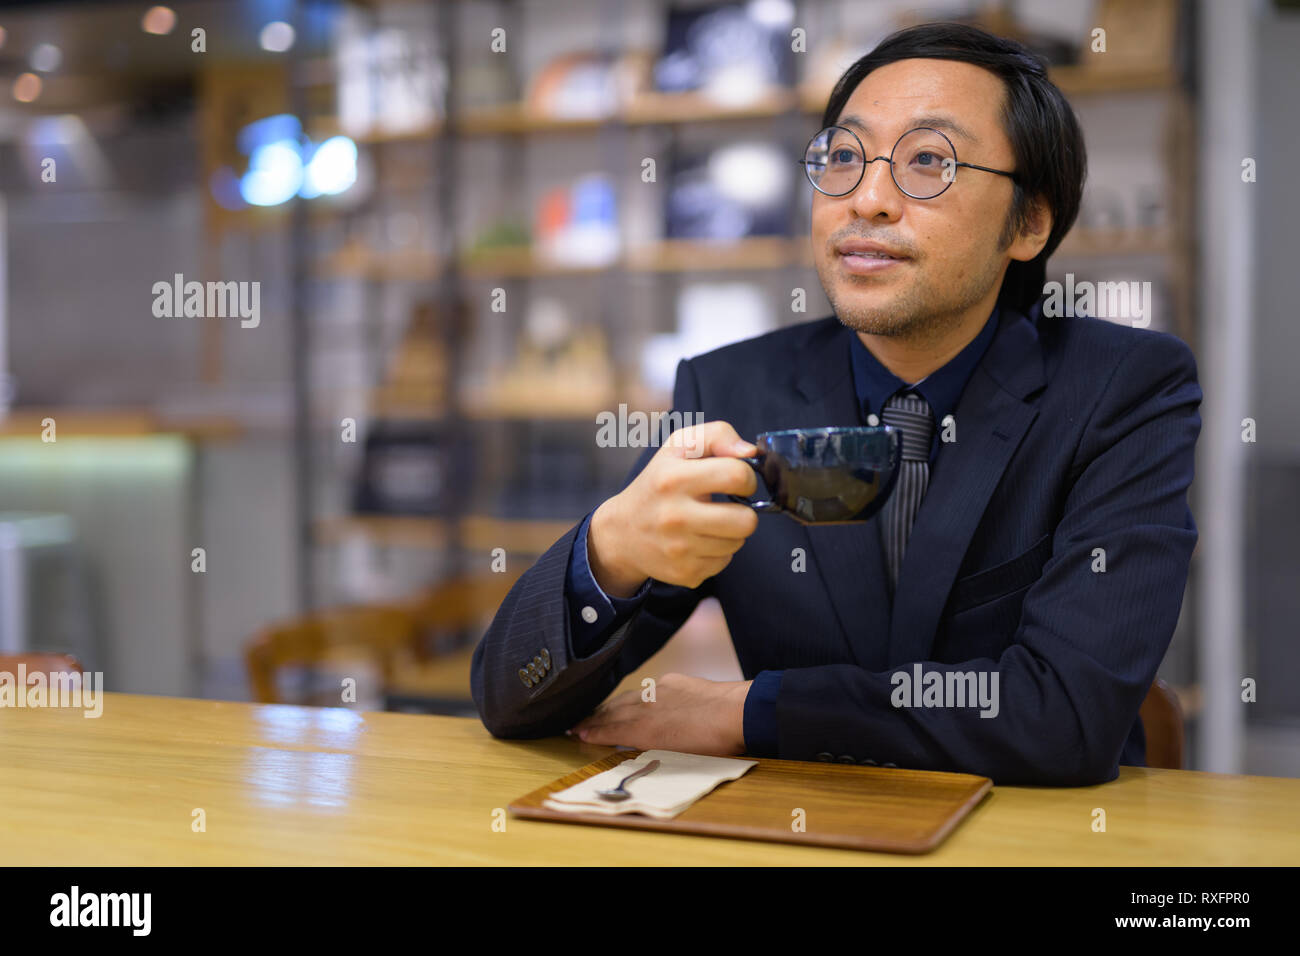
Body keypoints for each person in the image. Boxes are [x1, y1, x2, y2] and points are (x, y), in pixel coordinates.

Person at [470, 22, 1201, 786]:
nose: (869, 199)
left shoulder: (1120, 390)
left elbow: (1064, 719)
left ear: (1029, 223)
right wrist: (609, 553)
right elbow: (508, 703)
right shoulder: (728, 393)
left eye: (928, 162)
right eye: (843, 158)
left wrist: (753, 711)